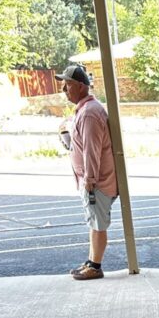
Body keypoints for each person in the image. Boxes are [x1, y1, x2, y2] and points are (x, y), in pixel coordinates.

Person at [57, 63, 118, 281]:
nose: (64, 89)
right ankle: (91, 261)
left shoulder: (90, 113)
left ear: (81, 86)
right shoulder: (85, 110)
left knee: (97, 224)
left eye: (68, 84)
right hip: (92, 181)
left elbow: (92, 150)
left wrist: (90, 180)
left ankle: (96, 266)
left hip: (97, 182)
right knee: (93, 222)